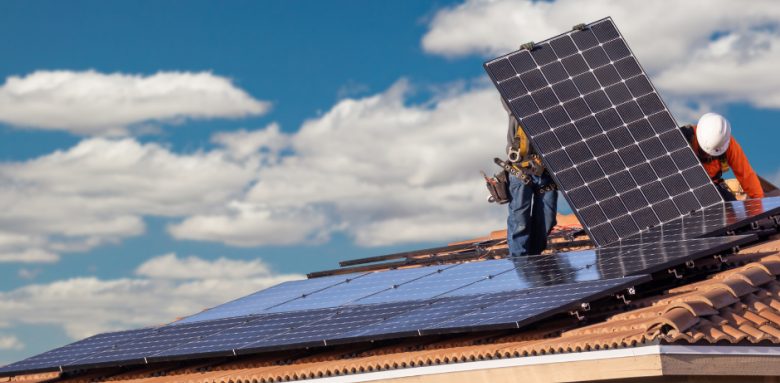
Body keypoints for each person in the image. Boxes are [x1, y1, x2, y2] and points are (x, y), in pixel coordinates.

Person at [501, 98, 558, 257]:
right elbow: (509, 97)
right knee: (520, 221)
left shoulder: (553, 107)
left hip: (545, 171)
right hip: (521, 170)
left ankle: (533, 258)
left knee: (548, 220)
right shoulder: (517, 101)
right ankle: (519, 261)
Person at [681, 113, 764, 201]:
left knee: (732, 210)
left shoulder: (728, 145)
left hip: (713, 188)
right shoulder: (680, 139)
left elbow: (746, 175)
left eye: (713, 153)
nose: (708, 155)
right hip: (682, 187)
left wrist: (760, 201)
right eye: (705, 151)